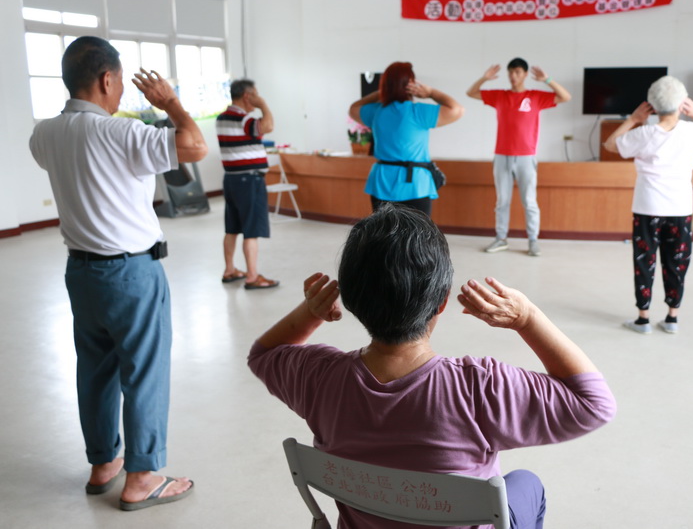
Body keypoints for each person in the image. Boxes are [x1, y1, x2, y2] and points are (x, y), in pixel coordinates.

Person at [248, 204, 616, 529]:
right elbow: (594, 404)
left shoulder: (319, 378)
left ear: (352, 299)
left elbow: (263, 354)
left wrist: (309, 313)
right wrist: (528, 318)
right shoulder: (479, 389)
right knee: (527, 483)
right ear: (442, 302)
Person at [29, 36, 207, 510]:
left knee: (96, 371)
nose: (123, 92)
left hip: (81, 273)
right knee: (144, 373)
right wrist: (169, 102)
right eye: (121, 81)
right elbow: (195, 146)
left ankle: (103, 463)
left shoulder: (43, 134)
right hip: (131, 273)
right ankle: (142, 477)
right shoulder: (121, 133)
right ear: (107, 79)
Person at [603, 76, 693, 334]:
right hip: (680, 209)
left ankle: (643, 319)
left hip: (647, 208)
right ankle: (672, 318)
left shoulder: (643, 134)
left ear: (652, 106)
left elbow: (610, 144)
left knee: (644, 261)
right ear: (682, 104)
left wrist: (634, 119)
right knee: (677, 262)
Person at [467, 59, 571, 256]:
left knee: (529, 201)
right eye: (510, 72)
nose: (513, 76)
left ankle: (533, 240)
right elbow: (471, 93)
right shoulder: (499, 96)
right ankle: (501, 238)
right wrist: (484, 78)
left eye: (517, 72)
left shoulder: (536, 97)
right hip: (502, 156)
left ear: (524, 74)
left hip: (526, 157)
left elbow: (565, 97)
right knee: (502, 201)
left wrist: (547, 79)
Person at [348, 62, 464, 216]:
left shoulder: (376, 112)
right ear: (411, 84)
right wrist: (431, 93)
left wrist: (380, 94)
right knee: (418, 235)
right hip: (415, 184)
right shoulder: (418, 112)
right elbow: (457, 109)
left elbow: (353, 108)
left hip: (382, 180)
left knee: (383, 234)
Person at [216, 79, 279, 289]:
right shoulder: (243, 119)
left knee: (232, 228)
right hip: (250, 180)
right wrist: (263, 105)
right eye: (256, 94)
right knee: (251, 230)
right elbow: (268, 126)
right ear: (247, 96)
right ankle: (252, 276)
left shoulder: (222, 118)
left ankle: (229, 269)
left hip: (231, 179)